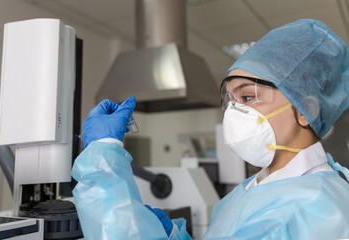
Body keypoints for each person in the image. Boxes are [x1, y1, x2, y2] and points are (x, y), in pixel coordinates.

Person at [71, 19, 349, 240]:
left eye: (248, 97)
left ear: (306, 109)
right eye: (229, 99)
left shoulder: (310, 209)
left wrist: (104, 163)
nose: (233, 112)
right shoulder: (253, 190)